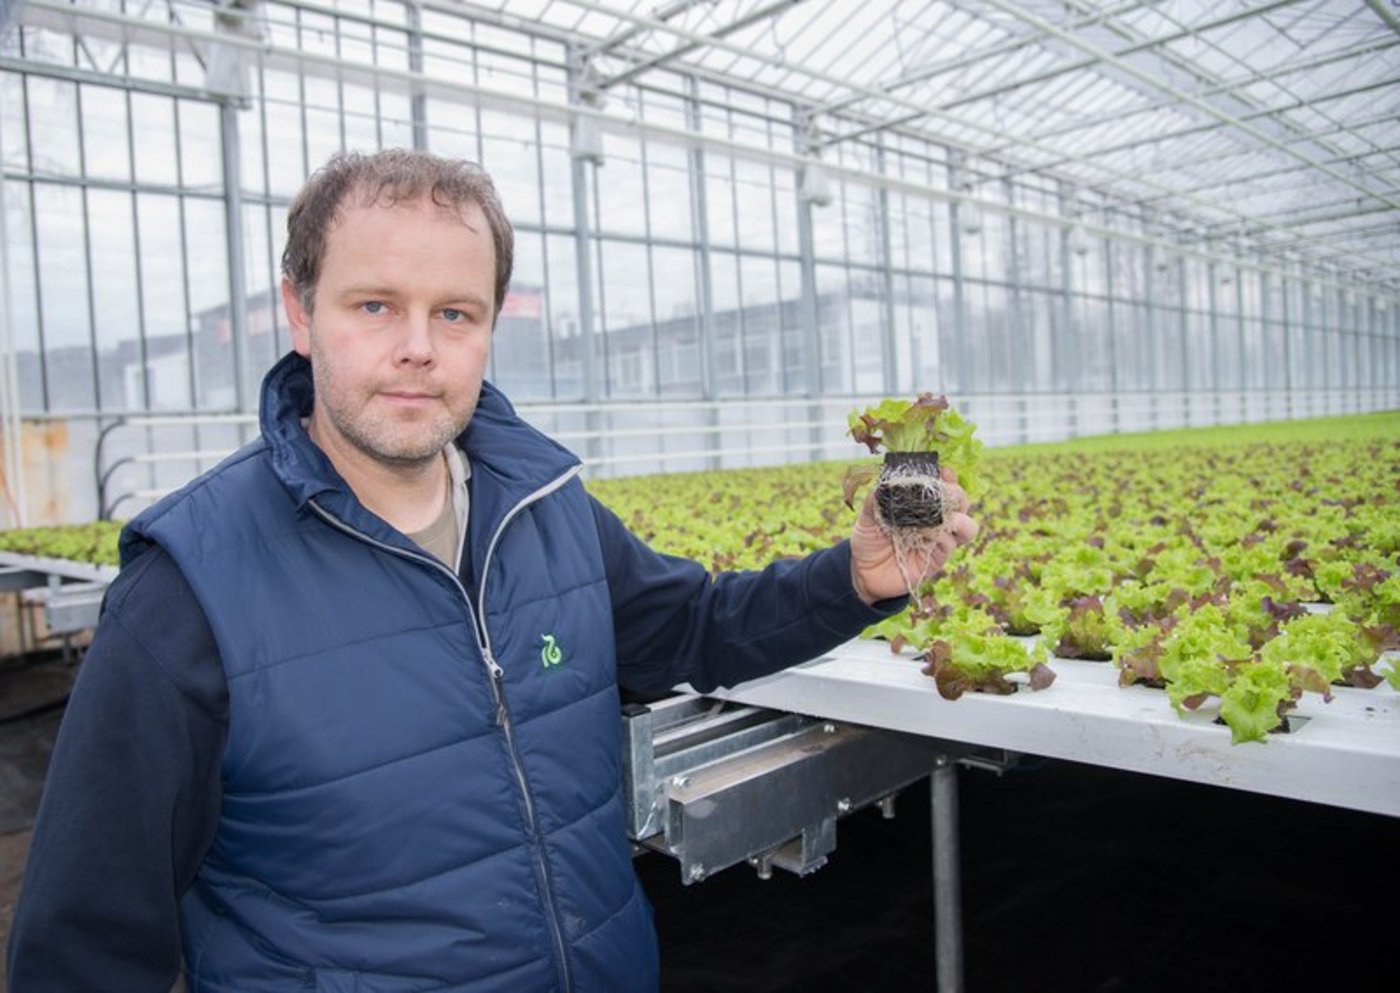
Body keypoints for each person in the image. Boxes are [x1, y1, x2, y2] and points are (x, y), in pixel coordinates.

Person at [6, 149, 979, 992]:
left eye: (456, 313)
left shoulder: (543, 510)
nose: (418, 349)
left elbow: (697, 627)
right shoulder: (187, 589)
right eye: (375, 304)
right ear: (299, 314)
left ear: (489, 329)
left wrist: (854, 579)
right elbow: (89, 938)